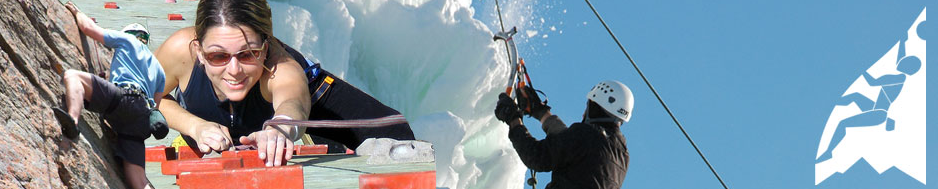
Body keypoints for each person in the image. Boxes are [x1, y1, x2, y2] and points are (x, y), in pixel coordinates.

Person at [154, 0, 415, 167]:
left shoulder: (283, 69)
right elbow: (144, 95)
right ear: (199, 51)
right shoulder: (180, 52)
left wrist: (281, 130)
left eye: (248, 54)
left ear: (266, 49)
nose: (233, 70)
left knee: (398, 135)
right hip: (217, 120)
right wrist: (194, 125)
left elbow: (293, 103)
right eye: (218, 56)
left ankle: (325, 143)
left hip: (304, 101)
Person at [53, 2, 168, 189]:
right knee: (139, 182)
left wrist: (76, 11)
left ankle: (72, 122)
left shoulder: (127, 40)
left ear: (129, 34)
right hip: (140, 122)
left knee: (72, 75)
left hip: (124, 98)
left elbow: (88, 28)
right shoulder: (160, 70)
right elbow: (156, 105)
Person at [495, 80, 633, 189]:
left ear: (596, 108)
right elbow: (570, 146)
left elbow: (537, 156)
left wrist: (513, 119)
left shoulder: (587, 135)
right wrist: (541, 112)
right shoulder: (622, 155)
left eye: (588, 106)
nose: (583, 113)